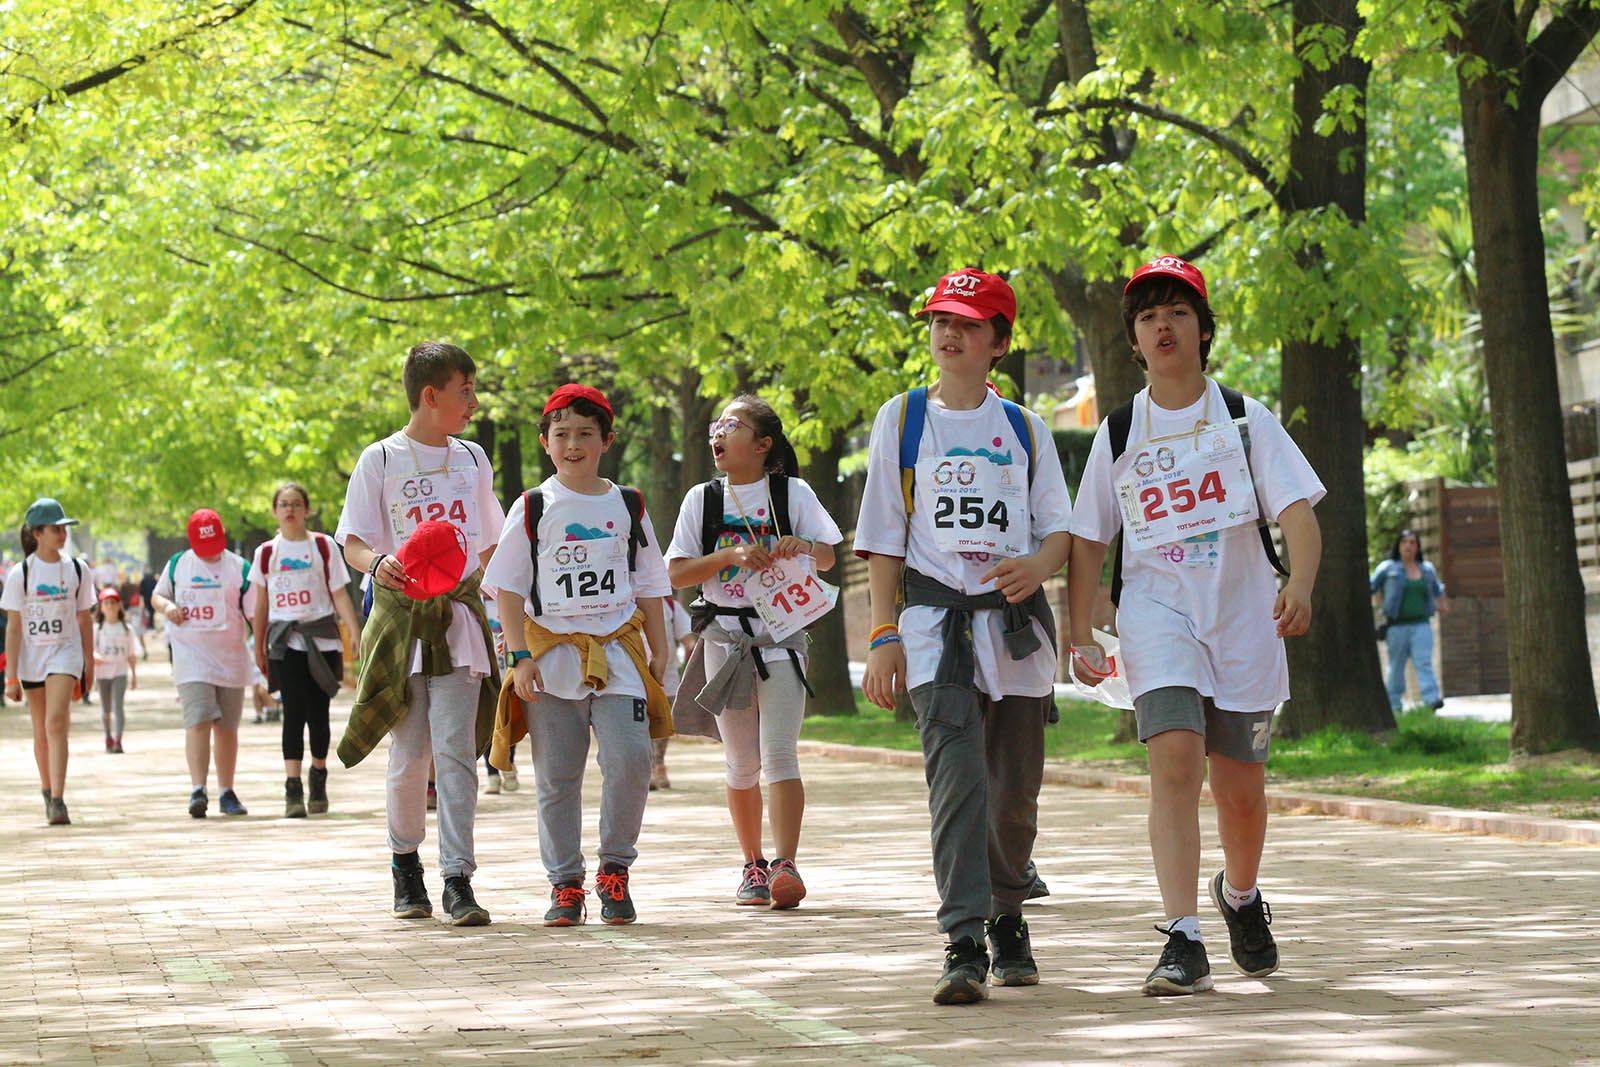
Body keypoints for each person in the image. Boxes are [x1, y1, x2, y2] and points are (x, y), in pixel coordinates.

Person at [1067, 255, 1325, 996]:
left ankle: (1239, 895)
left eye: (1177, 311)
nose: (1162, 325)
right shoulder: (1120, 432)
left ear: (1203, 330)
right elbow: (1090, 541)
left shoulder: (1245, 418)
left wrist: (1300, 582)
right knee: (1175, 763)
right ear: (1135, 341)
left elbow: (1298, 514)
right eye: (1147, 316)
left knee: (1240, 788)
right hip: (1157, 615)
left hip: (1244, 619)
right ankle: (1183, 937)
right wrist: (1081, 629)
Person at [855, 269, 1074, 1004]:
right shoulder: (903, 417)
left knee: (1013, 795)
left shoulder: (1024, 428)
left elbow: (1059, 533)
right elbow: (885, 533)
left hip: (1013, 632)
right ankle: (963, 938)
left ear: (999, 344)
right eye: (940, 321)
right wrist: (883, 630)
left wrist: (1037, 565)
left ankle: (1010, 912)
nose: (949, 334)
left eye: (968, 323)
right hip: (930, 625)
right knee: (957, 784)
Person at [485, 383, 673, 927]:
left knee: (632, 760)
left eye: (585, 434)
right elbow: (509, 590)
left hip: (617, 652)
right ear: (546, 443)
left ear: (606, 441)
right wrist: (519, 656)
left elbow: (652, 583)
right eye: (562, 434)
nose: (573, 445)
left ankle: (615, 869)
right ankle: (565, 884)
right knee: (557, 776)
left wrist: (660, 650)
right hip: (551, 658)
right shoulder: (533, 506)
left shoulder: (628, 504)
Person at [335, 340, 504, 927]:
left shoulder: (473, 460)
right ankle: (406, 867)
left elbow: (490, 539)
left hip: (458, 622)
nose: (474, 403)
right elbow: (351, 540)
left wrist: (490, 595)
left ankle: (459, 878)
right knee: (410, 754)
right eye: (465, 392)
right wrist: (377, 561)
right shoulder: (380, 459)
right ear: (431, 396)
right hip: (402, 623)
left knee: (456, 753)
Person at [667, 394, 843, 911]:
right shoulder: (702, 500)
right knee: (741, 761)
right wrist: (728, 555)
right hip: (724, 639)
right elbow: (675, 573)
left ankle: (787, 864)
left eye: (732, 425)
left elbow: (830, 555)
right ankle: (753, 864)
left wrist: (802, 546)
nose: (717, 433)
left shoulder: (793, 493)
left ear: (763, 445)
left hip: (782, 638)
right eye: (716, 424)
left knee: (780, 752)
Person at [250, 482, 363, 818]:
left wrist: (354, 632)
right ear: (274, 511)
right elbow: (261, 603)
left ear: (306, 510)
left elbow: (339, 593)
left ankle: (318, 775)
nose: (290, 509)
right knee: (291, 714)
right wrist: (258, 645)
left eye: (296, 504)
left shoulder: (323, 547)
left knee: (318, 712)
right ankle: (292, 788)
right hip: (285, 643)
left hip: (322, 640)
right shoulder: (267, 553)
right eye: (283, 504)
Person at [152, 508, 257, 819]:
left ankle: (227, 791)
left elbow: (254, 612)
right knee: (197, 720)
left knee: (226, 727)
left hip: (230, 658)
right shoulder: (177, 564)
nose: (210, 554)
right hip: (191, 657)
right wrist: (168, 606)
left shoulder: (240, 568)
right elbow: (157, 596)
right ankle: (198, 788)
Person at [2, 499, 96, 825]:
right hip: (31, 658)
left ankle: (58, 798)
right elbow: (14, 627)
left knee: (56, 722)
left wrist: (88, 664)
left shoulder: (78, 570)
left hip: (65, 653)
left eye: (64, 528)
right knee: (41, 730)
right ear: (37, 533)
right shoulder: (21, 573)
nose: (62, 534)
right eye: (55, 529)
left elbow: (84, 619)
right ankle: (46, 789)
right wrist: (10, 677)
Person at [1370, 530, 1448, 712]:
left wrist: (1442, 604)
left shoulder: (1426, 569)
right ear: (1398, 545)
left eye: (1412, 542)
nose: (1408, 545)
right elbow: (1371, 586)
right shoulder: (1387, 568)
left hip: (1421, 625)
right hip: (1396, 626)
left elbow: (1438, 589)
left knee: (1424, 663)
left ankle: (1431, 701)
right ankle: (1394, 705)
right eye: (1404, 542)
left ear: (1418, 546)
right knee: (1396, 667)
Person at [649, 597, 697, 791]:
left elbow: (687, 637)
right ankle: (647, 769)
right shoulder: (624, 601)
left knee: (662, 726)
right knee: (638, 725)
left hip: (666, 678)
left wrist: (691, 651)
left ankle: (658, 766)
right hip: (632, 675)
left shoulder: (670, 606)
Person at [93, 588, 139, 753]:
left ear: (119, 606)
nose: (110, 606)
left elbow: (132, 654)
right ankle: (108, 737)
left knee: (118, 706)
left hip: (120, 672)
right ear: (101, 607)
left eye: (113, 603)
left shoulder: (127, 629)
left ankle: (118, 740)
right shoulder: (97, 629)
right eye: (106, 603)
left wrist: (134, 675)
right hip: (102, 674)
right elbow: (90, 650)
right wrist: (94, 658)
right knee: (106, 709)